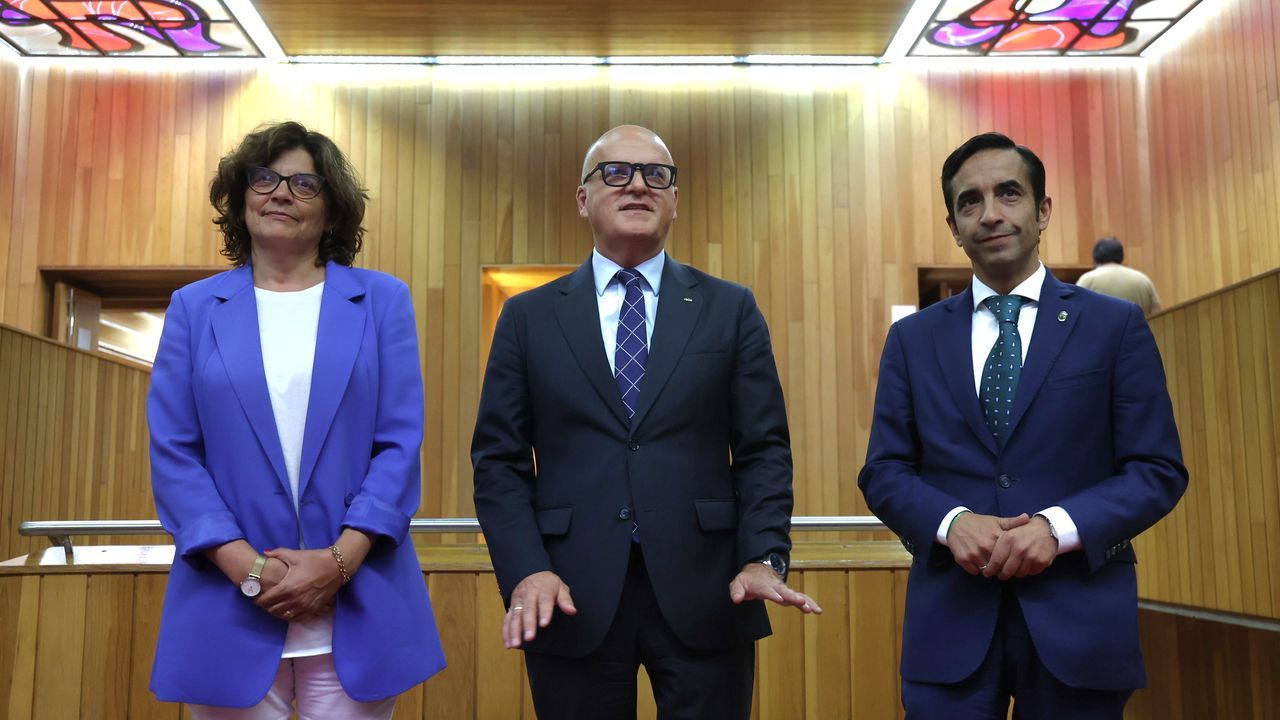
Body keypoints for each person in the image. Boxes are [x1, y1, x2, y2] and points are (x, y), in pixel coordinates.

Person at [471, 124, 821, 719]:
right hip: (569, 591)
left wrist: (764, 556)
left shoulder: (730, 308)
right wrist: (527, 569)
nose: (637, 185)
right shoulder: (527, 318)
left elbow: (764, 450)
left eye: (656, 175)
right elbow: (498, 462)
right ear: (583, 198)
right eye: (616, 172)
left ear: (675, 199)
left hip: (709, 591)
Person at [858, 132, 1187, 719]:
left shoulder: (1114, 327)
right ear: (954, 226)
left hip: (1079, 623)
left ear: (1043, 211)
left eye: (1009, 194)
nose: (990, 214)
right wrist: (950, 521)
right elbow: (884, 471)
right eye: (969, 202)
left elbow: (1157, 469)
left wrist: (1056, 528)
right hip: (950, 627)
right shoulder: (913, 339)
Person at [147, 121, 445, 718]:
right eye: (265, 178)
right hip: (229, 602)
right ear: (241, 197)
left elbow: (399, 443)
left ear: (332, 212)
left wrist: (338, 562)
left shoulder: (382, 300)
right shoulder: (194, 308)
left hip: (356, 600)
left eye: (304, 184)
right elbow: (175, 453)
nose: (281, 193)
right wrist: (249, 569)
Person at [1076, 236, 1162, 314]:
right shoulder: (1143, 280)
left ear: (1095, 257)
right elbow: (1156, 313)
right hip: (1137, 330)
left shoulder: (1087, 279)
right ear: (1121, 256)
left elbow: (1074, 310)